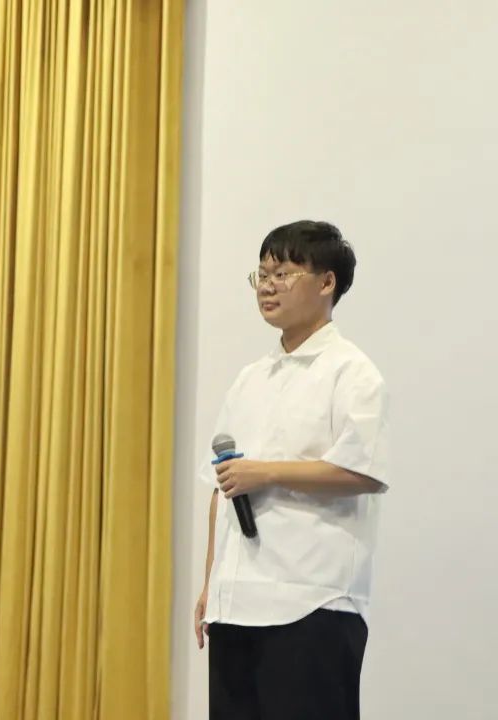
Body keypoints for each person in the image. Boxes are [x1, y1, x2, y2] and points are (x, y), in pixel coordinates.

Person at [194, 221, 390, 720]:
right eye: (261, 275)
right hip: (236, 604)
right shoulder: (250, 378)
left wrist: (268, 473)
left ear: (327, 282)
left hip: (313, 603)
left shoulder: (351, 372)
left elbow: (364, 472)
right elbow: (221, 486)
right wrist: (211, 584)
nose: (267, 286)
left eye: (282, 273)